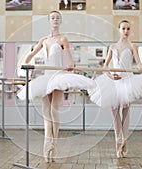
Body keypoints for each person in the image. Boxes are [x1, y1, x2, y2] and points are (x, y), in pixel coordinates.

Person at [17, 11, 95, 163]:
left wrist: (70, 64)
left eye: (57, 18)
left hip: (58, 75)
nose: (55, 20)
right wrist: (25, 63)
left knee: (54, 109)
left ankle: (54, 143)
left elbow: (69, 58)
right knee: (45, 111)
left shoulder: (63, 39)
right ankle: (48, 144)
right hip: (47, 76)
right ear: (49, 21)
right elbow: (30, 55)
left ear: (60, 21)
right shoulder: (43, 40)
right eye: (52, 18)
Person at [89, 20, 142, 158]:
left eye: (128, 28)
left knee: (126, 112)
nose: (126, 31)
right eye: (123, 28)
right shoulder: (112, 47)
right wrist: (111, 75)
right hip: (115, 81)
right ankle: (118, 143)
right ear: (119, 29)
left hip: (128, 81)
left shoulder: (132, 46)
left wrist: (140, 68)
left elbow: (139, 64)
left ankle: (125, 141)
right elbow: (105, 66)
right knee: (114, 112)